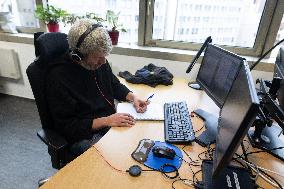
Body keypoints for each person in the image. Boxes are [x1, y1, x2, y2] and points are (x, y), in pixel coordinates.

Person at [45, 19, 148, 157]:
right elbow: (68, 127)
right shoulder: (58, 78)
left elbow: (114, 85)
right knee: (118, 158)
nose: (104, 61)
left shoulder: (98, 63)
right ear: (79, 55)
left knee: (139, 139)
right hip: (83, 136)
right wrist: (107, 120)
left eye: (105, 56)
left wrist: (133, 97)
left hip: (108, 122)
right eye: (99, 57)